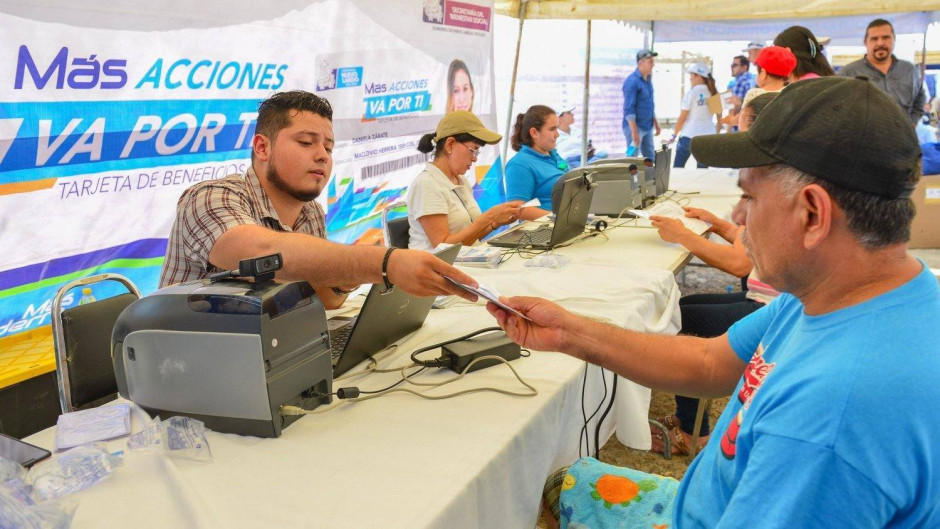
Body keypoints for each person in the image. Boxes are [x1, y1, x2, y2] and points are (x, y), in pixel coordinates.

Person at [490, 77, 940, 527]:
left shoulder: (831, 419)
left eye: (748, 195)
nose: (738, 216)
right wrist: (571, 331)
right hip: (712, 502)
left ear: (813, 214)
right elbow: (708, 362)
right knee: (559, 482)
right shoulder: (839, 296)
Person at [159, 90, 479, 309]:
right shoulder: (209, 197)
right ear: (262, 148)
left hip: (261, 352)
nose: (322, 156)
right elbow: (260, 251)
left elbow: (327, 300)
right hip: (184, 373)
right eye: (306, 142)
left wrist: (343, 277)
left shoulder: (310, 211)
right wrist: (385, 263)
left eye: (328, 147)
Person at [650, 92, 781, 456]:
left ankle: (694, 432)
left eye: (741, 129)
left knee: (684, 320)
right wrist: (719, 225)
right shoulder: (775, 177)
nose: (740, 212)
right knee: (687, 307)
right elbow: (748, 238)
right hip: (768, 297)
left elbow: (740, 264)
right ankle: (692, 421)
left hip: (770, 303)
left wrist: (685, 236)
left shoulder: (772, 182)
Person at [406, 111, 522, 251]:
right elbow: (444, 248)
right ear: (450, 144)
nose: (475, 158)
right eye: (473, 150)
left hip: (463, 260)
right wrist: (489, 218)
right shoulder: (427, 184)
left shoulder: (461, 181)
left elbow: (468, 238)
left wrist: (495, 223)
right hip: (437, 268)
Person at [839, 19, 927, 123]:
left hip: (903, 138)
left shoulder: (909, 70)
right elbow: (838, 108)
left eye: (886, 37)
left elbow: (920, 99)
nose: (880, 43)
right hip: (865, 138)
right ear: (865, 42)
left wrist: (912, 123)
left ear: (894, 39)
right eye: (874, 39)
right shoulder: (848, 73)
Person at [505, 105, 567, 220]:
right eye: (552, 129)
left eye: (557, 129)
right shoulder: (519, 165)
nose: (557, 134)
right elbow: (517, 209)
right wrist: (559, 220)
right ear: (534, 133)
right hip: (547, 231)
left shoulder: (552, 155)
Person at [669, 62, 720, 168]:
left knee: (677, 170)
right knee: (702, 173)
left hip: (689, 136)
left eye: (691, 75)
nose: (690, 79)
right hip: (707, 138)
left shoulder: (691, 93)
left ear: (698, 76)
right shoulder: (713, 92)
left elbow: (682, 118)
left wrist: (674, 135)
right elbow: (719, 119)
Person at [622, 49, 661, 159]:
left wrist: (655, 123)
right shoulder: (632, 81)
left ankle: (651, 176)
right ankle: (629, 176)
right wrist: (634, 133)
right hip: (635, 127)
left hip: (647, 126)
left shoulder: (648, 80)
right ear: (640, 63)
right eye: (650, 62)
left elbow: (649, 104)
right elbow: (628, 109)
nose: (653, 65)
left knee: (650, 158)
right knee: (632, 159)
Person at [739, 45, 796, 113]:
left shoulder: (753, 94)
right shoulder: (792, 93)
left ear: (763, 73)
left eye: (757, 72)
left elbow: (744, 121)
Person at [727, 55, 755, 126]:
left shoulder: (740, 81)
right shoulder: (752, 79)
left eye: (734, 65)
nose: (732, 68)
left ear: (744, 67)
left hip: (738, 125)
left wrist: (728, 129)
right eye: (732, 65)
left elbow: (734, 107)